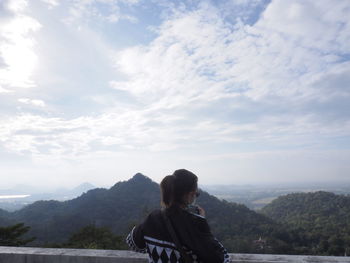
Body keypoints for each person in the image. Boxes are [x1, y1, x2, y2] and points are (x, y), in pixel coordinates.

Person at [126, 169, 230, 263]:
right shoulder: (194, 224)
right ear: (190, 195)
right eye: (196, 194)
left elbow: (132, 243)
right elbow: (223, 259)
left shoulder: (153, 218)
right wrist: (202, 224)